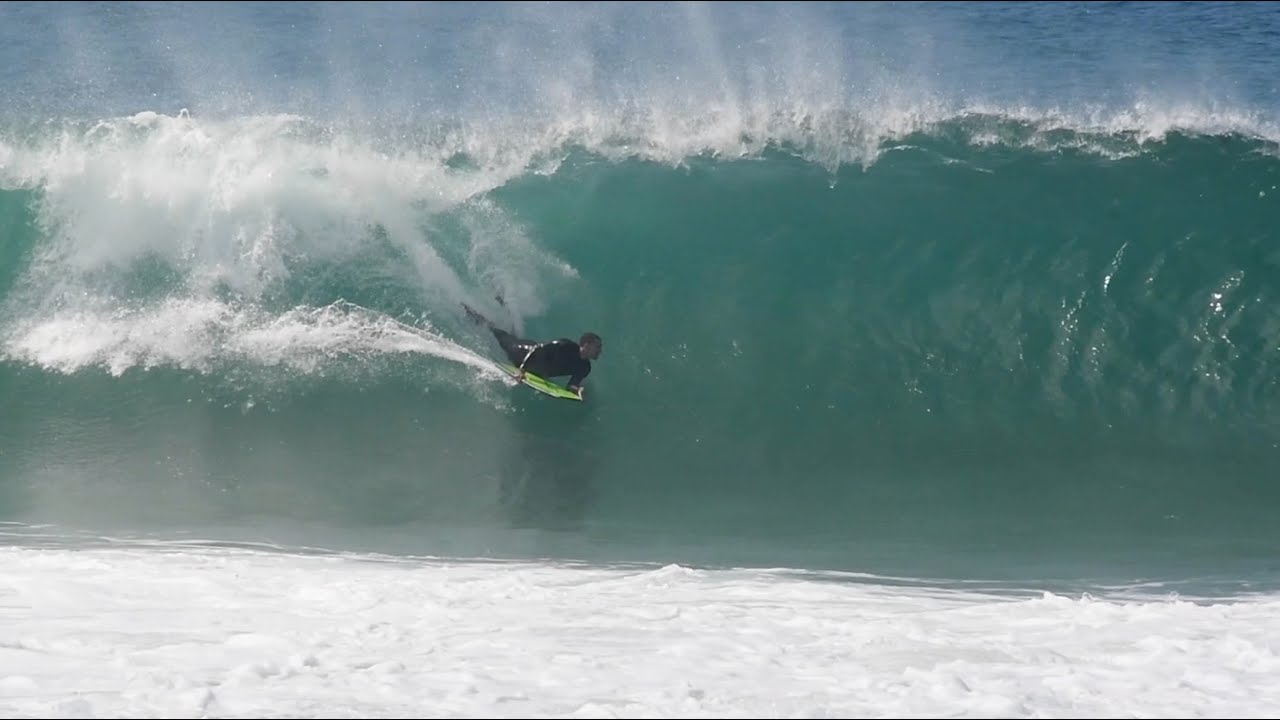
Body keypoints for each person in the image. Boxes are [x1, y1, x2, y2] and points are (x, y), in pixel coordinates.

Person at [463, 301, 602, 399]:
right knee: (500, 334)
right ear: (587, 345)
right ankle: (471, 312)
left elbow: (571, 385)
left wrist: (578, 391)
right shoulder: (564, 345)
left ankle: (504, 306)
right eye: (597, 347)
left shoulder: (585, 367)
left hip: (535, 366)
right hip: (521, 352)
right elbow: (537, 349)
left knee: (511, 335)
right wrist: (521, 371)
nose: (600, 351)